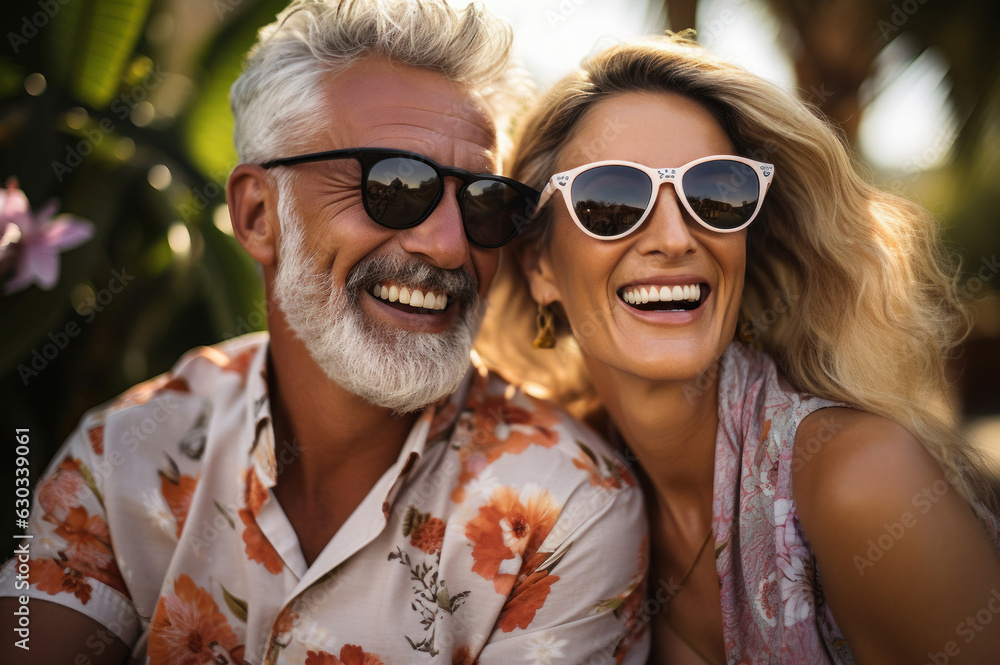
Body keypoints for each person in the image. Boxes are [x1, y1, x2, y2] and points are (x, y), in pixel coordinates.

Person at [0, 2, 650, 663]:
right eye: (394, 186)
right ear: (258, 214)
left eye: (483, 202)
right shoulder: (125, 453)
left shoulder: (568, 509)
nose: (452, 247)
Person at [478, 33, 1000, 664]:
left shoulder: (860, 481)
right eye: (611, 199)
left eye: (715, 193)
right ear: (540, 266)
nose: (674, 238)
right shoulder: (557, 482)